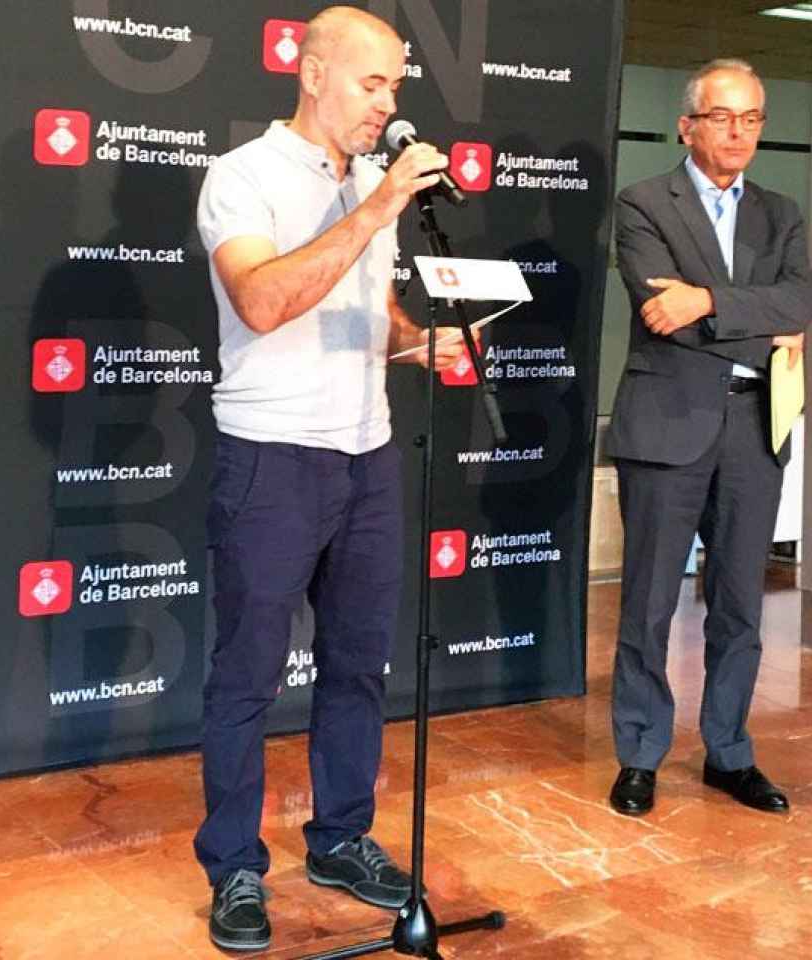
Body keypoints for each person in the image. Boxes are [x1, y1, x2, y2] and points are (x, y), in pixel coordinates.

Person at [190, 5, 465, 953]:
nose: (388, 105)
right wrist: (379, 204)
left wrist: (414, 340)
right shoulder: (244, 176)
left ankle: (341, 837)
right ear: (311, 74)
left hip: (367, 453)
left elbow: (365, 303)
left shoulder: (363, 186)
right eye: (372, 84)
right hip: (271, 455)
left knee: (358, 664)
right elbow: (265, 300)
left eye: (397, 85)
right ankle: (232, 868)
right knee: (248, 674)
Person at [605, 58, 812, 819]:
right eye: (724, 117)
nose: (740, 132)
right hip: (667, 426)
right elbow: (662, 313)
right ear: (687, 125)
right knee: (650, 602)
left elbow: (802, 300)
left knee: (739, 604)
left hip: (755, 427)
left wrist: (709, 303)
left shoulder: (780, 211)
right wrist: (763, 326)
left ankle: (728, 751)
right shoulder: (642, 203)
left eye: (753, 118)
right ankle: (639, 754)